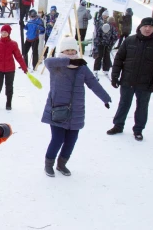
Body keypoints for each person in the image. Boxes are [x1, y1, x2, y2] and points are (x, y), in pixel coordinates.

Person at [42, 37, 111, 177]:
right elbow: (47, 61)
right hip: (58, 109)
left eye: (73, 50)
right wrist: (69, 61)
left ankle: (61, 164)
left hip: (76, 111)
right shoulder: (56, 66)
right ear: (62, 51)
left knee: (71, 140)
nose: (70, 52)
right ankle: (48, 164)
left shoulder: (82, 67)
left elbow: (93, 83)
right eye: (67, 50)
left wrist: (105, 97)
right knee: (58, 139)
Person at [107, 17, 153, 141]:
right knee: (124, 104)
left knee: (142, 107)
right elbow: (119, 59)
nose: (148, 29)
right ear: (140, 27)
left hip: (145, 84)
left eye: (151, 27)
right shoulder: (129, 40)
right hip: (127, 80)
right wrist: (115, 76)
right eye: (145, 26)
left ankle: (138, 130)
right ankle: (118, 125)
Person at [0, 25, 28, 110]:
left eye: (5, 32)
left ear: (9, 33)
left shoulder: (13, 44)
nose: (4, 33)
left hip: (10, 69)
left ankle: (8, 103)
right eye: (2, 32)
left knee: (9, 86)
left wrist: (24, 67)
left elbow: (18, 57)